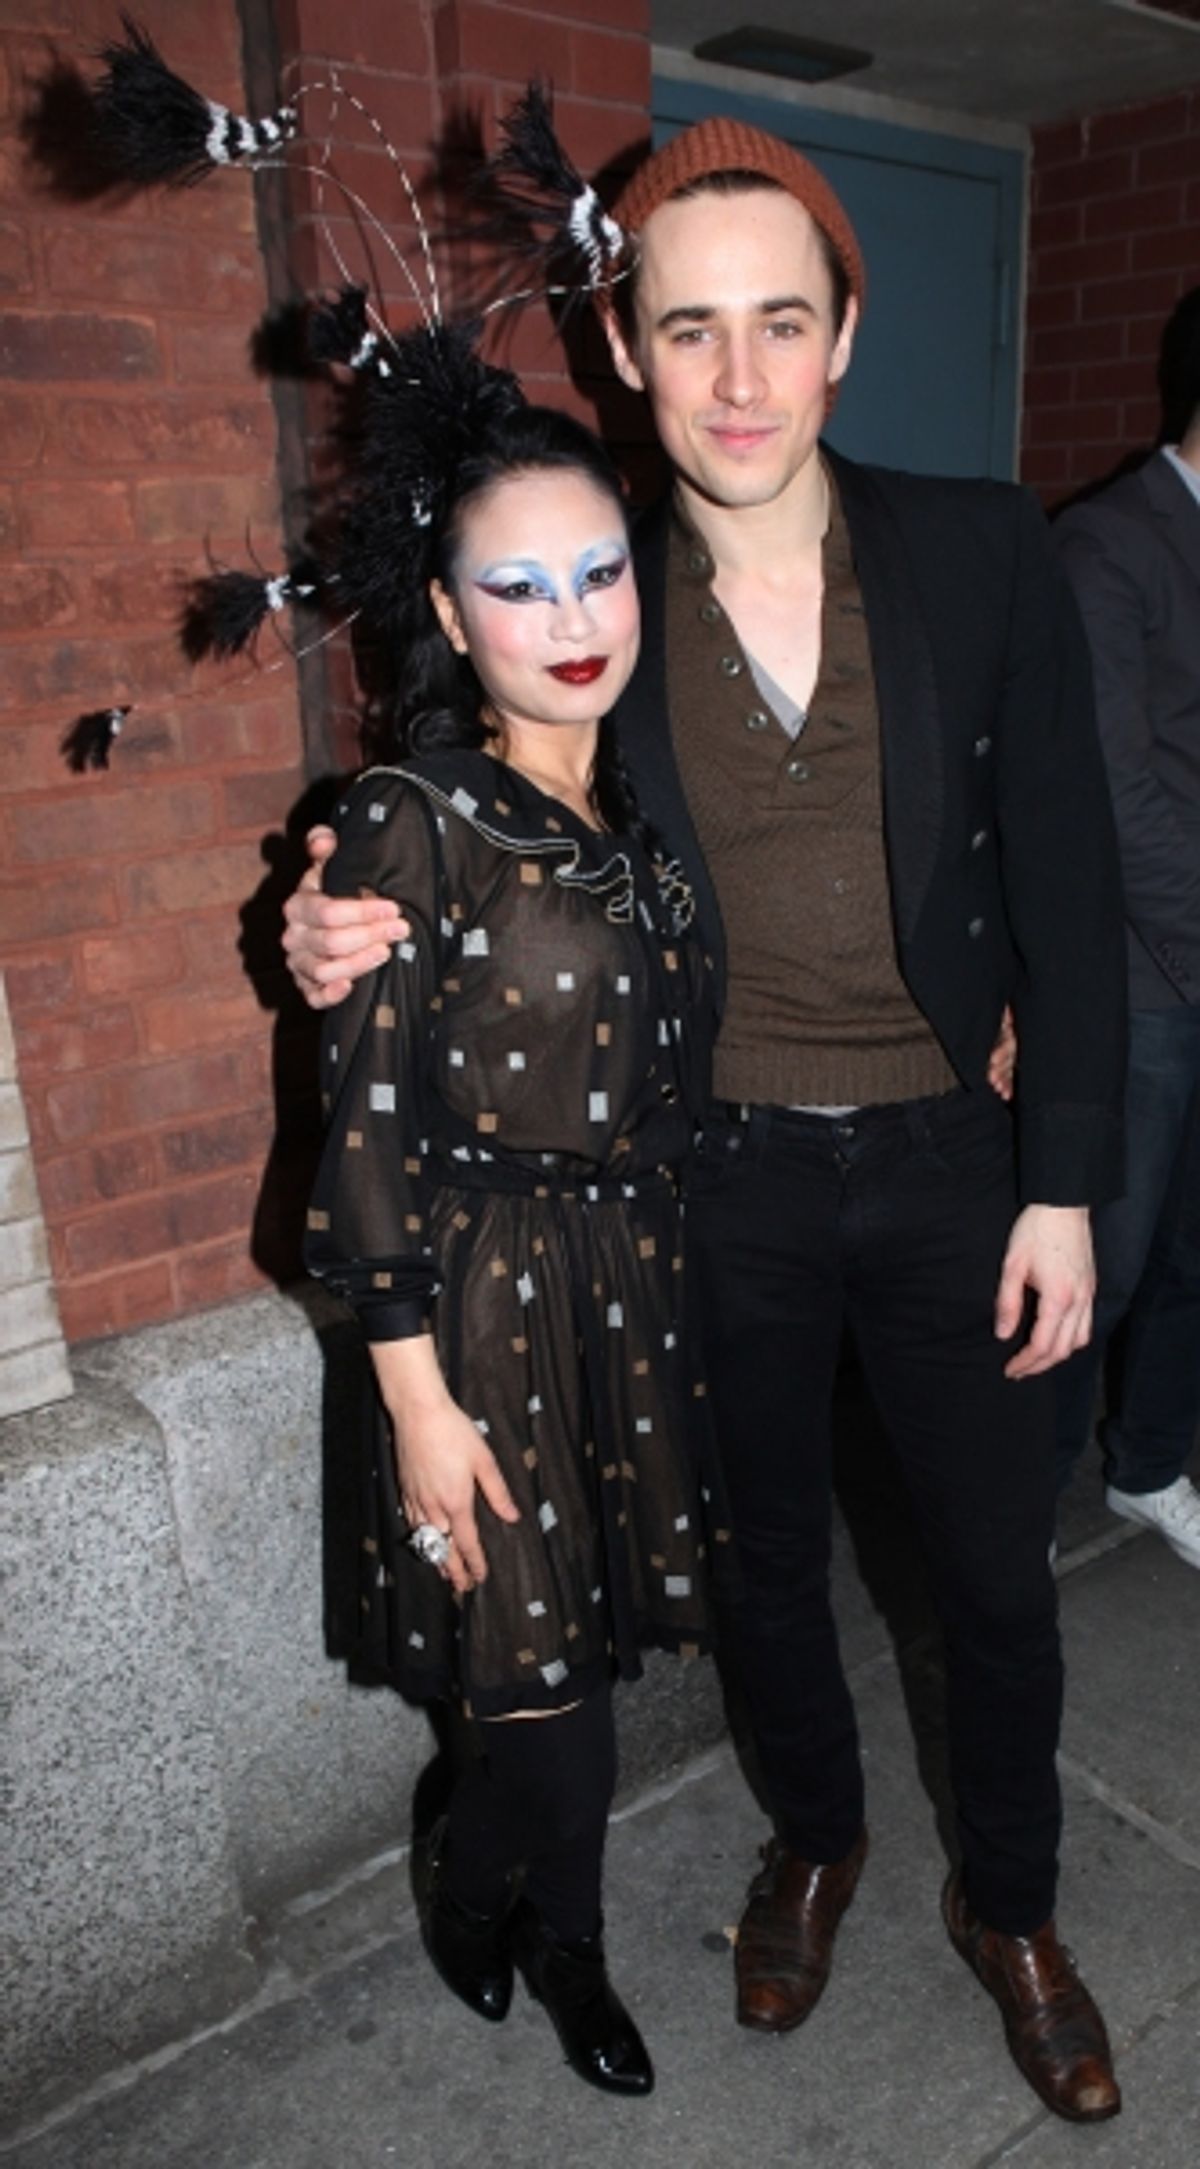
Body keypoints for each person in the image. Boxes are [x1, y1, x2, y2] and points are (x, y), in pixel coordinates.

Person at [280, 111, 1128, 2123]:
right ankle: (817, 1836)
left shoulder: (982, 544)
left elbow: (1077, 882)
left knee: (996, 1579)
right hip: (705, 1178)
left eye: (778, 322)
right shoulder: (587, 578)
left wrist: (1068, 1182)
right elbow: (460, 808)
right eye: (687, 330)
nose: (735, 378)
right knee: (761, 1570)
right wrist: (326, 916)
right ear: (626, 348)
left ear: (846, 334)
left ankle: (1012, 1902)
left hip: (950, 1156)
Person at [305, 349, 726, 2099]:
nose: (573, 615)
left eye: (601, 568)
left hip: (629, 1290)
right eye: (519, 584)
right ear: (447, 611)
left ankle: (550, 1921)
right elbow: (363, 1132)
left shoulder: (640, 802)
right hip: (469, 1313)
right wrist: (415, 1404)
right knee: (539, 1703)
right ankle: (497, 1897)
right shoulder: (410, 819)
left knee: (572, 1679)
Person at [1052, 287, 1200, 1568]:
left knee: (1198, 1258)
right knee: (1092, 1275)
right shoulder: (1108, 543)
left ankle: (1147, 1466)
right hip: (1148, 980)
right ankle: (1017, 1517)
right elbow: (1116, 794)